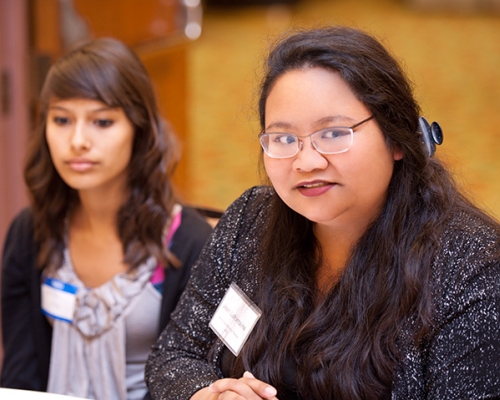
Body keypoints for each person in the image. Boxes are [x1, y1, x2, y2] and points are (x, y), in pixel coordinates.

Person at [145, 26, 500, 399]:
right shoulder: (250, 221)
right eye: (284, 139)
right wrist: (207, 394)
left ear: (397, 137)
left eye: (333, 133)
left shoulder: (471, 270)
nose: (306, 162)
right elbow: (174, 355)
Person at [1, 38, 213, 399]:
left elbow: (195, 377)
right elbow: (20, 375)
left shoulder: (188, 242)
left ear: (139, 129)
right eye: (62, 119)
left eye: (102, 121)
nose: (78, 140)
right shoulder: (30, 231)